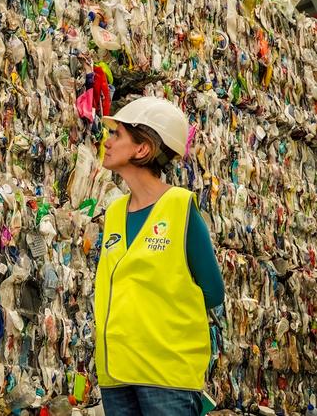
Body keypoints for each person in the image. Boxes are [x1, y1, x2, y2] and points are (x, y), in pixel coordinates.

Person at [94, 96, 225, 416]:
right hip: (116, 373)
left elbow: (212, 291)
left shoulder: (180, 207)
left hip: (165, 376)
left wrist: (162, 324)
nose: (107, 142)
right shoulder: (113, 212)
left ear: (142, 149)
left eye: (117, 135)